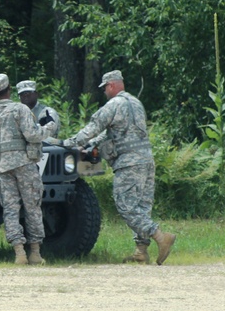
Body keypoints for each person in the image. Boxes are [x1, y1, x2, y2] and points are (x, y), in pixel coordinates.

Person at [60, 70, 176, 265]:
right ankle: (141, 251)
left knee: (125, 205)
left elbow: (93, 127)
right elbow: (112, 133)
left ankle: (160, 236)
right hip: (146, 160)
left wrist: (70, 143)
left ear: (111, 85)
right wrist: (92, 145)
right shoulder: (136, 104)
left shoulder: (113, 105)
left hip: (128, 162)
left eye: (105, 88)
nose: (104, 92)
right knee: (141, 206)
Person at [0, 73, 57, 265]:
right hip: (24, 164)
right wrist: (49, 127)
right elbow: (32, 135)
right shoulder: (20, 109)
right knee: (32, 206)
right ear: (9, 90)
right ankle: (35, 253)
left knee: (10, 208)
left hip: (3, 166)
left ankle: (18, 253)